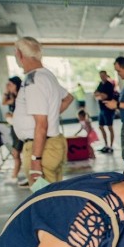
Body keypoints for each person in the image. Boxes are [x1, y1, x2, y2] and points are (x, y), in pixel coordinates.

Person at [12, 37, 73, 185]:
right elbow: (68, 98)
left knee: (44, 201)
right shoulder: (46, 75)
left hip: (41, 148)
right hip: (50, 144)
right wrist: (50, 115)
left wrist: (35, 160)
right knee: (53, 197)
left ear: (20, 54)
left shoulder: (34, 80)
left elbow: (41, 124)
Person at [2, 76, 24, 185]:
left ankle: (15, 175)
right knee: (16, 152)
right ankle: (14, 175)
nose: (8, 86)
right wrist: (6, 91)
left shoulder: (21, 97)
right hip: (14, 127)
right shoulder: (13, 96)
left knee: (16, 152)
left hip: (20, 128)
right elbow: (4, 102)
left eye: (10, 84)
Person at [94, 70, 116, 153]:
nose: (102, 77)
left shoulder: (109, 85)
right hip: (102, 109)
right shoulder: (100, 84)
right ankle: (106, 145)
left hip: (108, 109)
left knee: (110, 127)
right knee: (101, 126)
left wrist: (100, 95)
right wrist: (99, 94)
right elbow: (95, 93)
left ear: (106, 75)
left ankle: (111, 146)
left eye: (103, 75)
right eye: (100, 75)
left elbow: (105, 96)